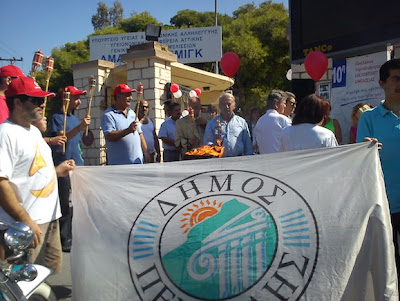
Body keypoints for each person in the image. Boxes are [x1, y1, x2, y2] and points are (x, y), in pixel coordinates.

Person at [0, 76, 75, 273]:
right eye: (35, 100)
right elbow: (1, 183)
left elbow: (30, 171)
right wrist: (26, 221)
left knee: (43, 276)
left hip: (49, 219)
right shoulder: (5, 134)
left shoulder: (32, 132)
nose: (42, 104)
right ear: (17, 102)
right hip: (25, 226)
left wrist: (58, 171)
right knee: (21, 282)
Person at [356, 58, 400, 282]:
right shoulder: (369, 118)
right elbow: (359, 156)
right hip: (384, 201)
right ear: (382, 83)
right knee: (389, 262)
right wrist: (364, 147)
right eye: (396, 78)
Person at [50, 86, 90, 252]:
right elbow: (63, 138)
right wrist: (81, 127)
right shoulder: (57, 118)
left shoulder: (75, 119)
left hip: (77, 164)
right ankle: (64, 238)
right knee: (65, 203)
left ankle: (76, 234)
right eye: (76, 98)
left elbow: (81, 141)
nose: (79, 101)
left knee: (79, 203)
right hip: (63, 165)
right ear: (66, 99)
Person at [101, 83, 150, 165]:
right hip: (120, 166)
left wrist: (146, 151)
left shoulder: (132, 113)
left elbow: (140, 133)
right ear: (118, 96)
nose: (131, 98)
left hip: (137, 163)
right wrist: (128, 130)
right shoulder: (108, 115)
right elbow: (109, 135)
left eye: (130, 95)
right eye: (128, 95)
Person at [204, 93, 252, 157]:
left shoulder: (241, 122)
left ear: (234, 105)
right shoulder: (212, 124)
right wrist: (215, 145)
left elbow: (247, 145)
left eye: (229, 104)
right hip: (219, 161)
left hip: (238, 160)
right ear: (220, 106)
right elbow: (207, 144)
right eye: (223, 104)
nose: (226, 107)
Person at [253, 90, 291, 154]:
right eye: (284, 103)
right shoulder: (283, 120)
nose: (285, 106)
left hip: (264, 161)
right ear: (276, 104)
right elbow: (291, 143)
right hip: (281, 161)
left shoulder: (259, 121)